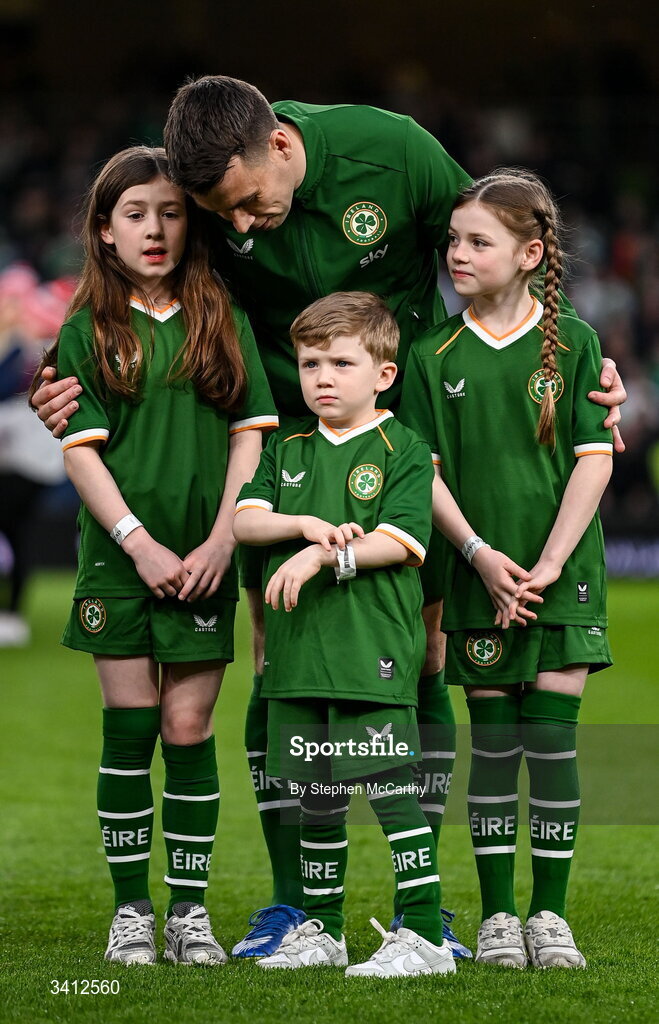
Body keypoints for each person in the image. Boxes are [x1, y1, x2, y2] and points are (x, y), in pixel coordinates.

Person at [30, 75, 626, 958]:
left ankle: (424, 915)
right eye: (215, 215)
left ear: (277, 147)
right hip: (279, 436)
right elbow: (134, 304)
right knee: (280, 655)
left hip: (401, 422)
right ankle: (292, 904)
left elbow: (495, 241)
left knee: (422, 648)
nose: (235, 228)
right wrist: (57, 380)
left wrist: (576, 360)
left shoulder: (392, 151)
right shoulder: (214, 213)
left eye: (243, 205)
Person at [29, 146, 278, 966]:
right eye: (134, 214)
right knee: (130, 731)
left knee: (187, 725)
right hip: (118, 562)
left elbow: (250, 437)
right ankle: (132, 911)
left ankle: (191, 915)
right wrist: (137, 544)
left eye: (171, 212)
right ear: (103, 232)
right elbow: (81, 451)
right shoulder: (86, 328)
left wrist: (220, 538)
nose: (155, 229)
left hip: (206, 560)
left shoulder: (222, 317)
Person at [399, 169, 613, 969]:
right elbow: (420, 470)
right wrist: (481, 557)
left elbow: (593, 459)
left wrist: (550, 563)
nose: (457, 253)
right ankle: (496, 919)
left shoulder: (577, 344)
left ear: (530, 253)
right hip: (475, 577)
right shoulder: (430, 354)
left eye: (477, 241)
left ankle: (548, 918)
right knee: (493, 749)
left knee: (550, 748)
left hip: (564, 577)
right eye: (452, 239)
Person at [233, 291, 456, 977]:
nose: (322, 377)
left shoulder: (403, 448)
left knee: (388, 785)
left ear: (383, 374)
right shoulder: (287, 447)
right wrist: (302, 526)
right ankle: (324, 930)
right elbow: (244, 521)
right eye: (308, 364)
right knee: (317, 795)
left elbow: (401, 538)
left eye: (340, 362)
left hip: (370, 650)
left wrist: (322, 556)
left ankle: (420, 936)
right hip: (299, 654)